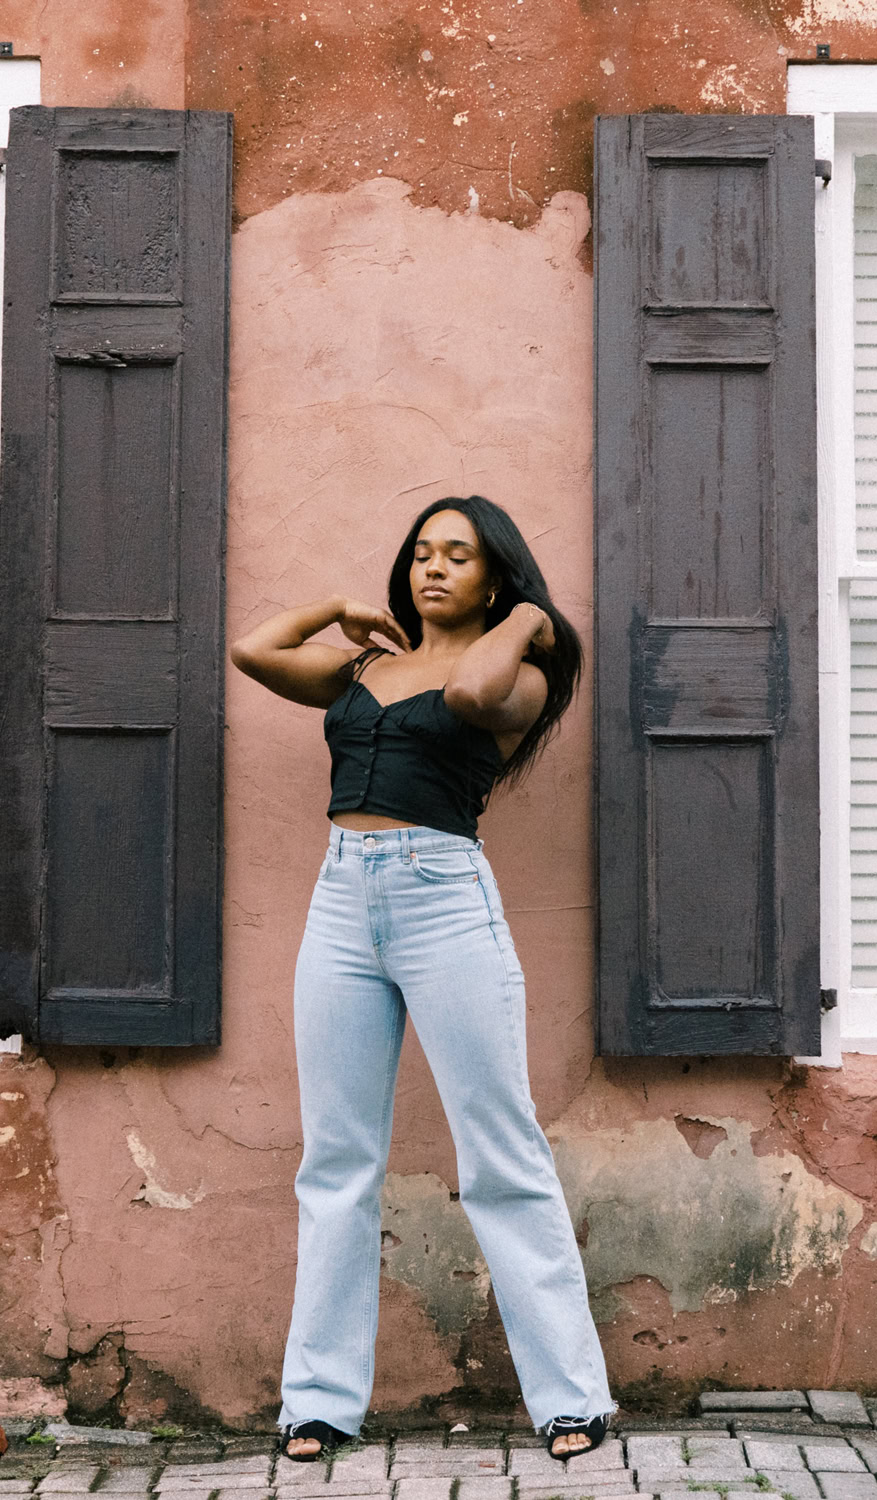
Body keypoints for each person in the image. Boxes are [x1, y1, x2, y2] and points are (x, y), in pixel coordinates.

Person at [230, 496, 615, 1466]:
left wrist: (532, 618)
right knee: (336, 1162)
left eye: (458, 557)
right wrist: (332, 606)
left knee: (500, 1150)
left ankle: (571, 1398)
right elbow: (253, 652)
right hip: (340, 903)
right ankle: (316, 1404)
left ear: (493, 578)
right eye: (421, 554)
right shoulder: (364, 670)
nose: (432, 569)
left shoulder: (517, 675)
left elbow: (478, 691)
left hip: (444, 905)